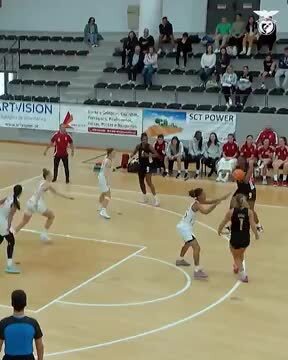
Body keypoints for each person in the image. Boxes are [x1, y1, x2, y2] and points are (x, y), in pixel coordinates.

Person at [176, 187, 230, 279]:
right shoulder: (197, 205)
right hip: (185, 228)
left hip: (184, 226)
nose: (205, 195)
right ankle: (197, 270)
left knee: (188, 243)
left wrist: (222, 198)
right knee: (196, 247)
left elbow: (211, 201)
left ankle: (180, 260)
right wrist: (215, 205)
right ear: (199, 196)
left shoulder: (198, 202)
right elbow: (206, 212)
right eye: (204, 194)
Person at [15, 168, 74, 242]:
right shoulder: (47, 184)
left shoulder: (41, 182)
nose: (52, 176)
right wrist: (36, 203)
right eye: (51, 175)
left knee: (24, 221)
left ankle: (13, 233)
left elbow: (52, 192)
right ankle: (44, 235)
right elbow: (42, 192)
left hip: (29, 202)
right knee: (51, 216)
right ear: (48, 176)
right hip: (37, 204)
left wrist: (67, 197)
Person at [218, 194, 259, 282]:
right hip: (246, 238)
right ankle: (237, 266)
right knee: (240, 252)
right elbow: (253, 225)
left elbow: (223, 222)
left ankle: (243, 274)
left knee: (235, 255)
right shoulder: (249, 212)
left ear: (235, 202)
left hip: (235, 238)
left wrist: (219, 230)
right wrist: (256, 234)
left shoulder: (231, 212)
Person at [0, 290, 44, 360]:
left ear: (12, 303)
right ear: (25, 303)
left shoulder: (3, 323)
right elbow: (40, 346)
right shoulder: (33, 323)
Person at [232, 156, 263, 232]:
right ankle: (232, 226)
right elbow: (233, 178)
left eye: (240, 160)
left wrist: (251, 166)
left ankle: (258, 225)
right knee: (233, 207)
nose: (238, 162)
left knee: (250, 210)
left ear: (244, 161)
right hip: (241, 189)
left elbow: (246, 181)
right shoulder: (237, 168)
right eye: (238, 160)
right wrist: (233, 171)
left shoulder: (249, 168)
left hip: (250, 191)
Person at [131, 133, 160, 206]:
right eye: (143, 139)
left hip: (148, 165)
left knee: (148, 181)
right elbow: (133, 153)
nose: (145, 141)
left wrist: (148, 155)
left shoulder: (149, 146)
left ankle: (156, 199)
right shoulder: (138, 146)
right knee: (141, 182)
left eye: (146, 139)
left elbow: (157, 155)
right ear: (141, 140)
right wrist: (131, 155)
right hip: (141, 166)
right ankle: (145, 198)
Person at [0, 185, 22, 274]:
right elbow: (10, 216)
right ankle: (9, 266)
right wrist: (8, 227)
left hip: (1, 219)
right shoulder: (16, 203)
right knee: (11, 241)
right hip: (2, 222)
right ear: (20, 193)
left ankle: (9, 265)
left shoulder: (9, 197)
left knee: (1, 238)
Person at [98, 148, 115, 219]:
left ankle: (100, 206)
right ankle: (103, 211)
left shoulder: (106, 157)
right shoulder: (109, 161)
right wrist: (106, 182)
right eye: (114, 153)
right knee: (108, 195)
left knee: (103, 193)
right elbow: (106, 173)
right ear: (110, 153)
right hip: (103, 178)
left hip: (100, 176)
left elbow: (106, 169)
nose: (115, 154)